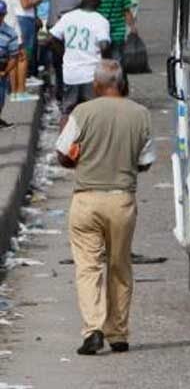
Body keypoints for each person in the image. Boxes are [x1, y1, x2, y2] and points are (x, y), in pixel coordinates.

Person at [55, 60, 154, 355]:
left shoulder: (82, 112)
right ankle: (118, 333)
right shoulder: (141, 114)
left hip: (86, 199)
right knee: (119, 266)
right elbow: (146, 162)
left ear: (96, 85)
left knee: (88, 267)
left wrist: (81, 159)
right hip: (121, 199)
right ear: (121, 83)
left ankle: (93, 329)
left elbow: (63, 153)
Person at [50, 0, 110, 119]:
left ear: (83, 0)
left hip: (70, 74)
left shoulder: (68, 17)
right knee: (93, 113)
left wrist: (64, 53)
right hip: (91, 74)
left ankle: (65, 139)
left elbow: (52, 37)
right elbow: (104, 46)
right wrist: (106, 63)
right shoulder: (100, 20)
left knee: (68, 111)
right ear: (99, 4)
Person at [5, 0, 43, 98]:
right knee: (23, 56)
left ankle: (14, 89)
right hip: (24, 20)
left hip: (12, 18)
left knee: (13, 55)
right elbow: (25, 4)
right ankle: (20, 90)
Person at [96, 0, 135, 67]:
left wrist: (132, 27)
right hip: (101, 32)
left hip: (118, 32)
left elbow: (126, 10)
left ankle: (118, 79)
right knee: (102, 60)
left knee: (117, 59)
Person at [0, 0, 22, 130]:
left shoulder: (10, 34)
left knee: (1, 99)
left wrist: (4, 72)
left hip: (2, 68)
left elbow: (13, 57)